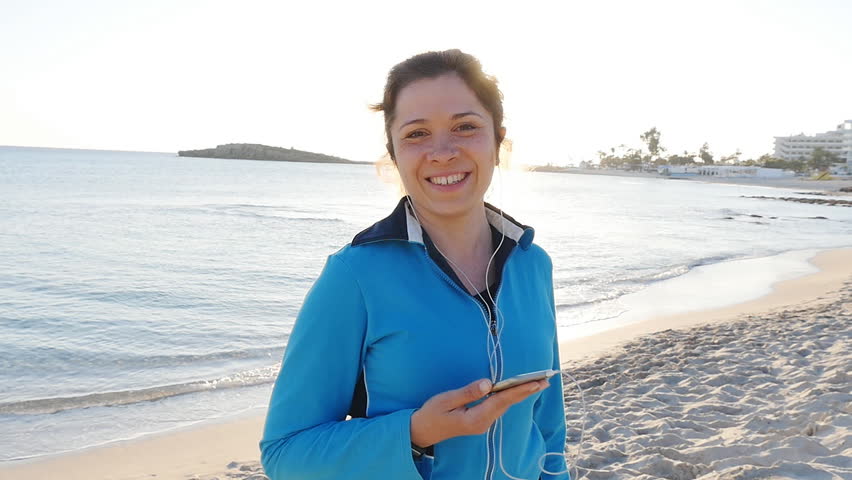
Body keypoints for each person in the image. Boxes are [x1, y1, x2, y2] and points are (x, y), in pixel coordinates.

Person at [260, 49, 569, 480]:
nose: (442, 152)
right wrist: (414, 433)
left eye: (465, 127)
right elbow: (285, 453)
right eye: (417, 134)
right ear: (394, 154)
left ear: (498, 142)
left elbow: (548, 428)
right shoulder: (354, 276)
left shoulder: (533, 264)